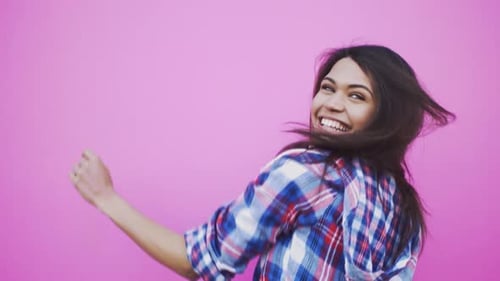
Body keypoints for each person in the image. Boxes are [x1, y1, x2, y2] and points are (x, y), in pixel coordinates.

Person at [69, 45, 455, 280]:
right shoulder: (404, 209)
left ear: (387, 114)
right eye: (327, 87)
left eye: (356, 96)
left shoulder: (307, 174)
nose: (331, 104)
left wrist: (106, 198)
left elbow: (199, 261)